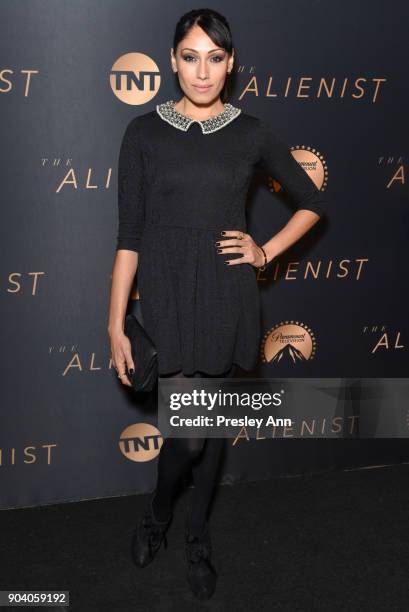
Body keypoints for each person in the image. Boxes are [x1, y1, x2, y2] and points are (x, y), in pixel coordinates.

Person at [108, 8, 327, 601]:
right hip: (172, 297)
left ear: (231, 64)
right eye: (189, 56)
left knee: (212, 428)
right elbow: (129, 236)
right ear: (173, 60)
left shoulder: (251, 132)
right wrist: (114, 324)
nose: (201, 71)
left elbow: (309, 202)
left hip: (227, 295)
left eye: (214, 57)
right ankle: (158, 515)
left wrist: (264, 251)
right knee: (193, 434)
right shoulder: (142, 133)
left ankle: (195, 535)